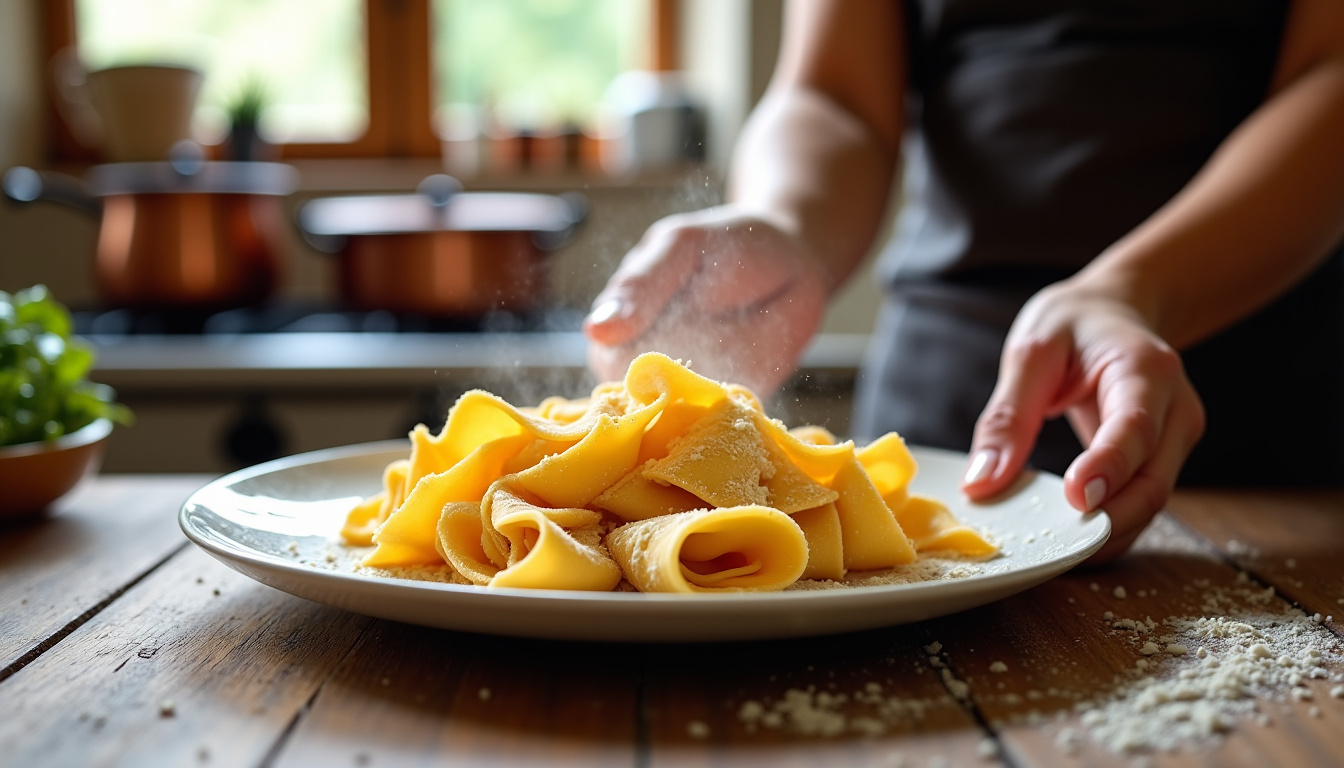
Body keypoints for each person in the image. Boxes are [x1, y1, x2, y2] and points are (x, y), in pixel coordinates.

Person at [583, 0, 1344, 561]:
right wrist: (786, 224)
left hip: (1260, 450)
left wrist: (1134, 289)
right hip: (941, 429)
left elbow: (1330, 74)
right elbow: (835, 93)